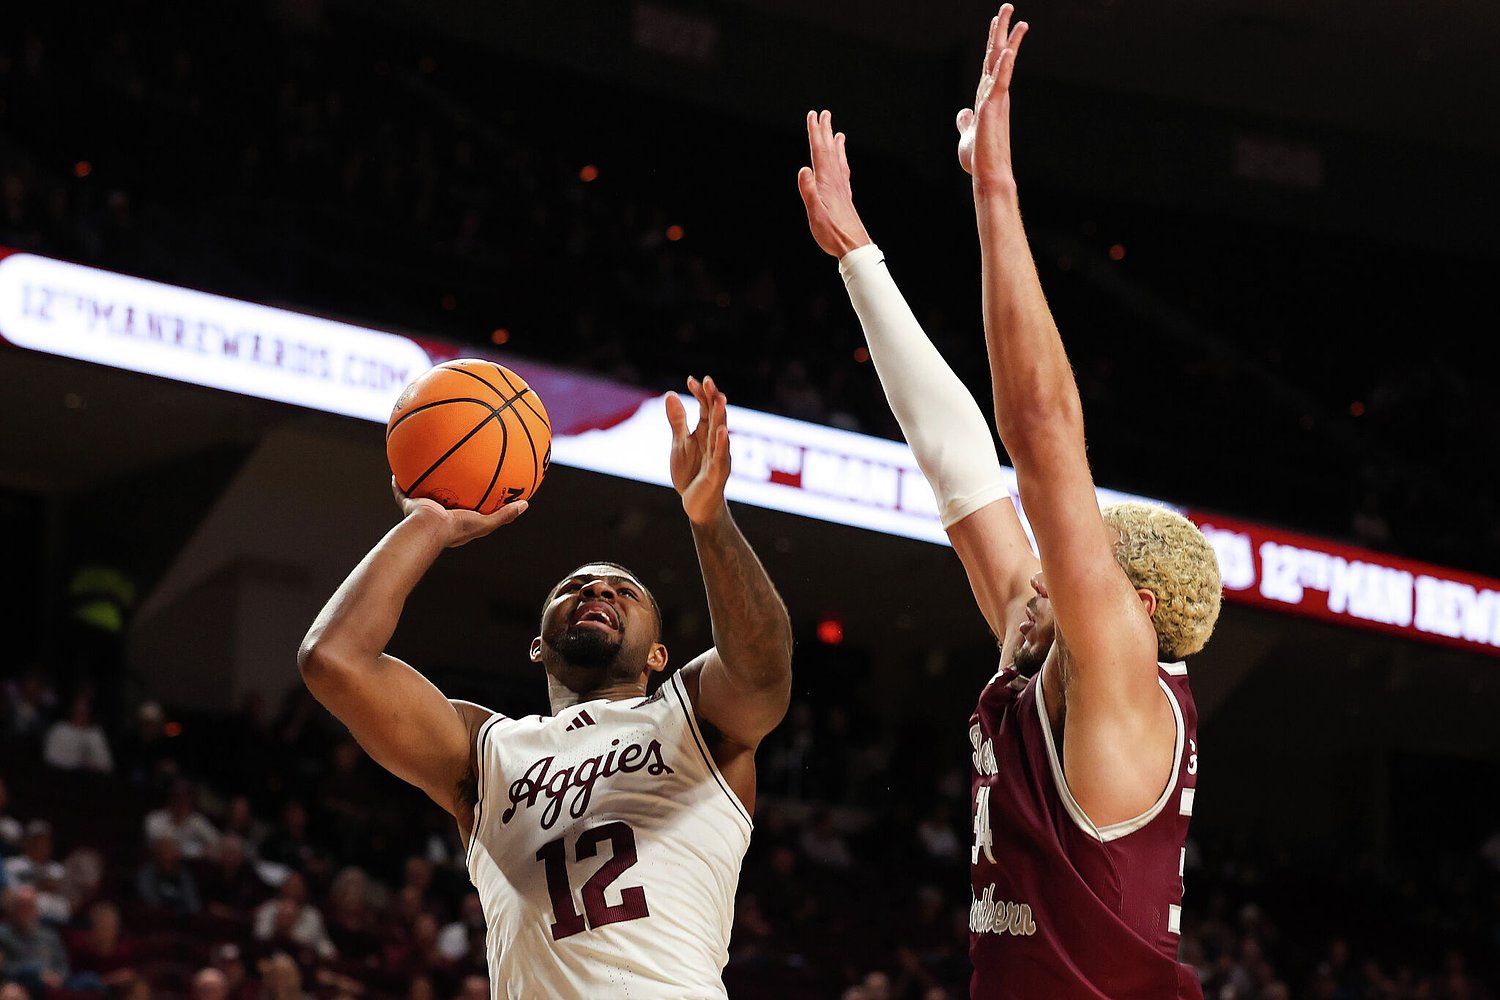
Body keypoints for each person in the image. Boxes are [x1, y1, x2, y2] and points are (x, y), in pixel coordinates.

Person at [797, 6, 1222, 996]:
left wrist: (994, 187)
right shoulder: (1050, 663)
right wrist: (859, 255)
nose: (1039, 568)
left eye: (1073, 563)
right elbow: (960, 467)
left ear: (1132, 609)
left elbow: (1038, 434)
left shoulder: (1121, 684)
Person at [297, 375, 794, 999]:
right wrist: (426, 522)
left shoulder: (694, 720)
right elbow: (333, 660)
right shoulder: (487, 752)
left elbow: (763, 667)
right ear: (537, 646)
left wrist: (710, 518)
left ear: (660, 657)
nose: (597, 591)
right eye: (575, 588)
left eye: (624, 591)